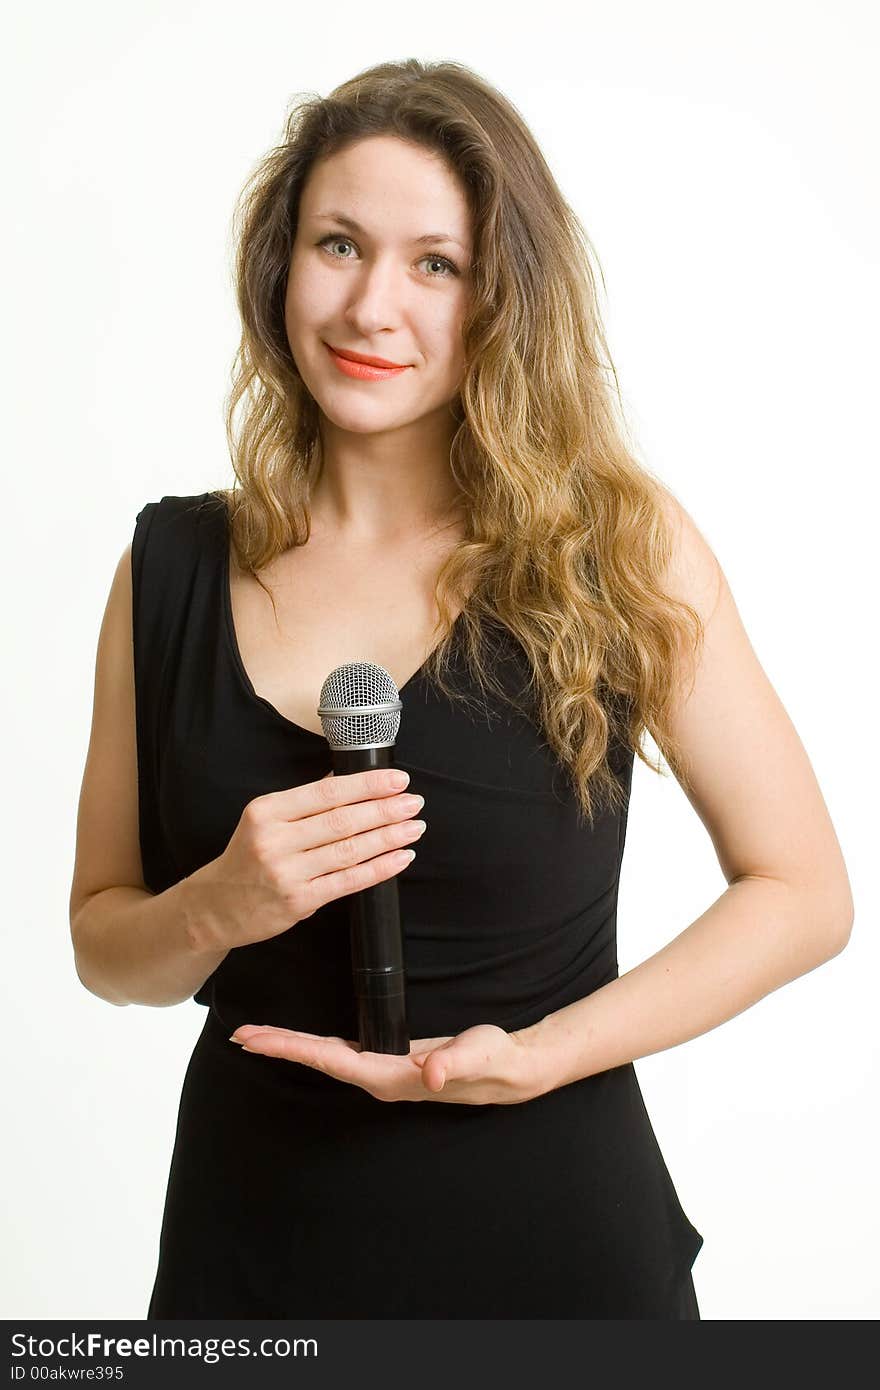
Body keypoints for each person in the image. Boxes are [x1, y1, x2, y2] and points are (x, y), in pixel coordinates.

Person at [69, 58, 854, 1320]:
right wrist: (220, 902)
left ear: (502, 297)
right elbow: (107, 946)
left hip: (556, 1244)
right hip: (252, 1255)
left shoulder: (616, 544)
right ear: (280, 264)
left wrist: (542, 1055)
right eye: (338, 244)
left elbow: (804, 893)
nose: (373, 304)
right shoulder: (167, 567)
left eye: (435, 262)